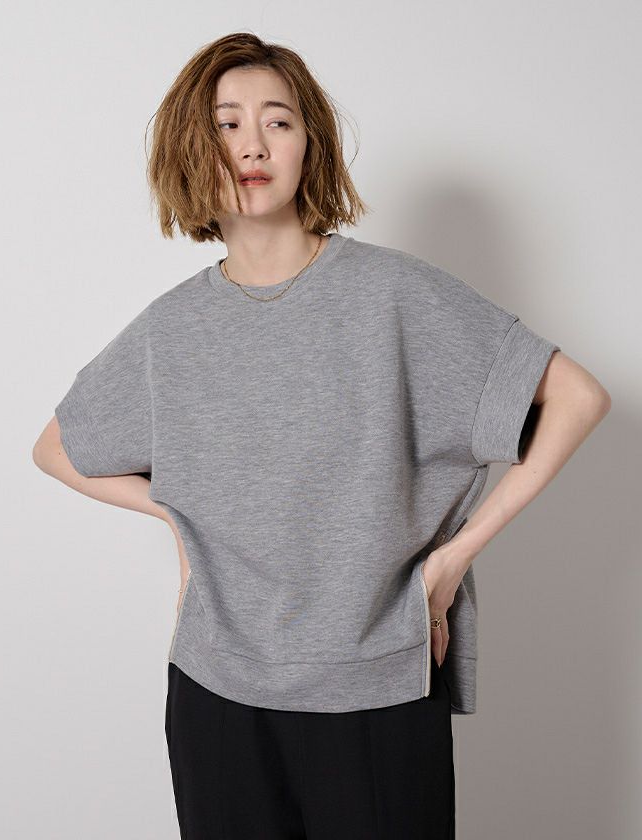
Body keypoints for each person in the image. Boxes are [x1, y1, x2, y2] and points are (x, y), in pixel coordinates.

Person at [33, 32, 611, 840]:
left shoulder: (394, 295)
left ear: (312, 146)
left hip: (374, 687)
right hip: (216, 692)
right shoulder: (171, 328)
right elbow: (56, 449)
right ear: (191, 149)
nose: (253, 145)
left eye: (278, 121)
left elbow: (577, 398)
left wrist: (451, 562)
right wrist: (178, 514)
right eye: (226, 124)